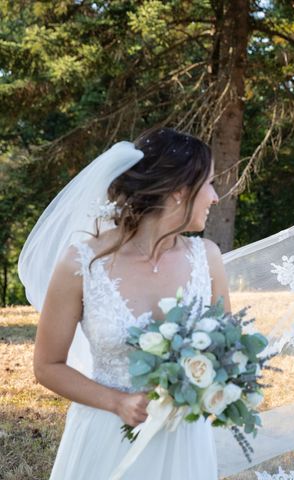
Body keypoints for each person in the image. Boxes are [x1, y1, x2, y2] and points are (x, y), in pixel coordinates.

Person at [22, 128, 230, 479]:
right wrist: (117, 402)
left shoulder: (207, 258)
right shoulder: (81, 264)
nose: (216, 196)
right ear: (179, 191)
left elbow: (225, 350)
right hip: (105, 436)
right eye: (208, 184)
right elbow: (47, 366)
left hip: (183, 438)